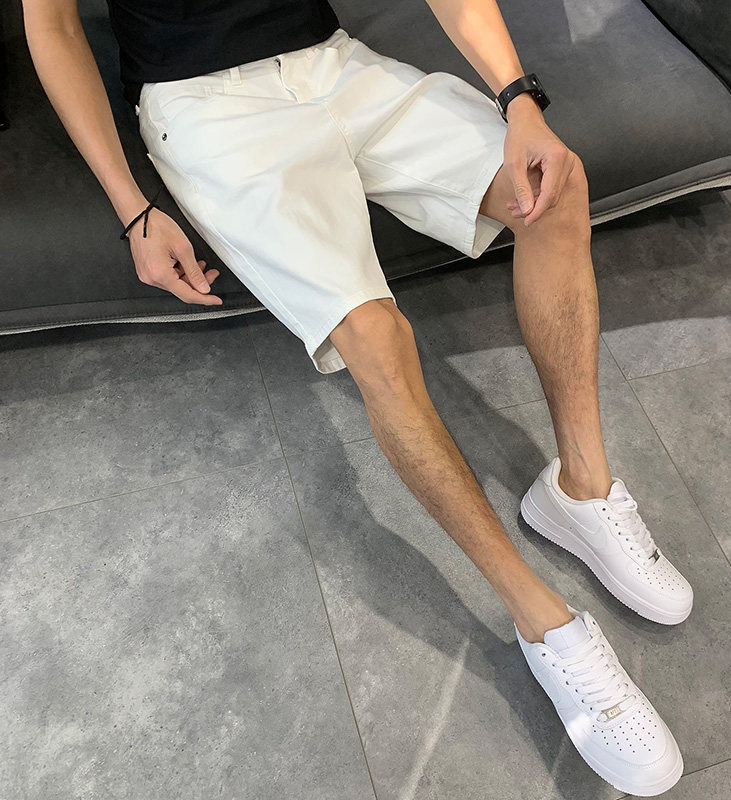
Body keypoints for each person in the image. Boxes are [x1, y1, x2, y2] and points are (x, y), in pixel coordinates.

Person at [23, 0, 693, 794]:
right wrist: (131, 207)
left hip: (333, 63)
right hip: (203, 106)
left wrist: (519, 99)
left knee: (553, 187)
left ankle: (580, 488)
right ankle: (542, 622)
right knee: (374, 338)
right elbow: (53, 26)